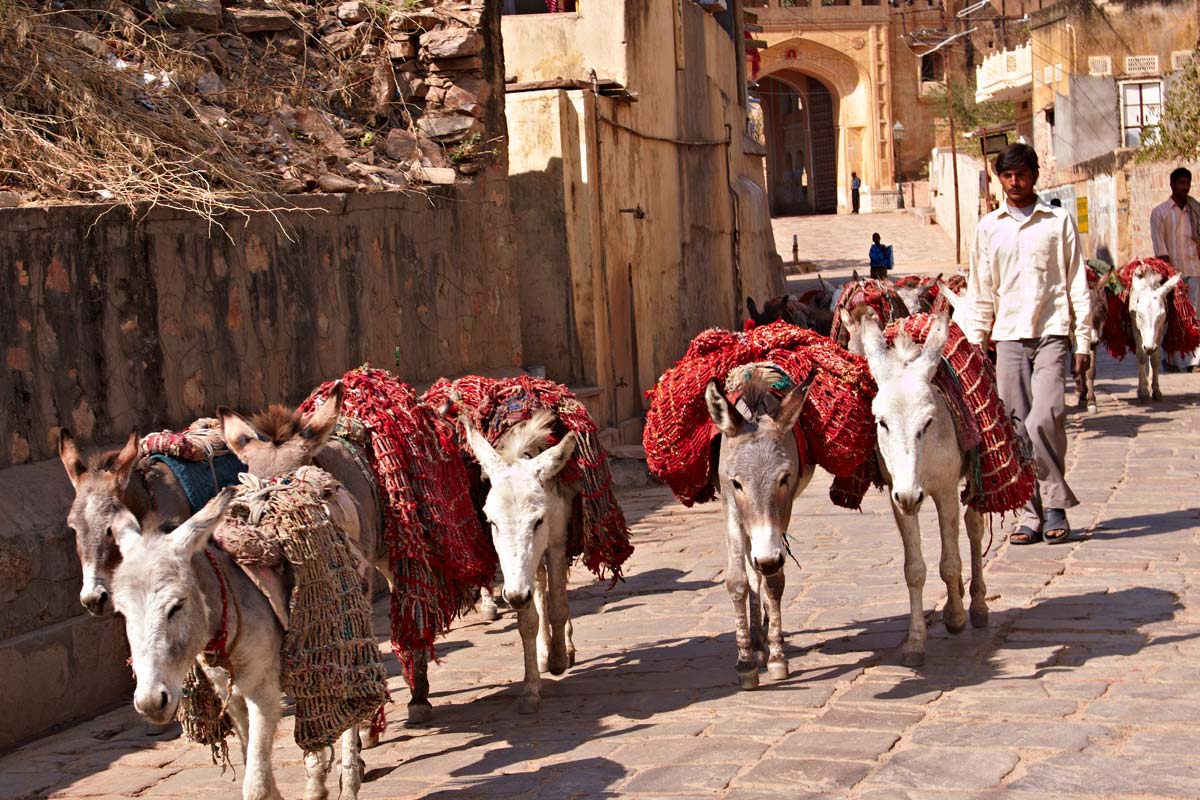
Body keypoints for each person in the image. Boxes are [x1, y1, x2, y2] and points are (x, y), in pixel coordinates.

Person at [964, 143, 1091, 545]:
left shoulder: (1058, 221)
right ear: (999, 179)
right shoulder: (989, 228)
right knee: (1017, 427)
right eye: (1007, 176)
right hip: (1008, 337)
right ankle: (1031, 513)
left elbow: (1076, 281)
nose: (1014, 182)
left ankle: (1055, 504)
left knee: (1046, 418)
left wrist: (1084, 340)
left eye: (1021, 174)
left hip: (1052, 330)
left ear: (1035, 175)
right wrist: (975, 343)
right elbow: (981, 289)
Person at [1150, 167, 1200, 372]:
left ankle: (1193, 360)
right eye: (1180, 183)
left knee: (1193, 315)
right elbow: (1160, 246)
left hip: (1194, 269)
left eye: (1187, 183)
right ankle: (1171, 358)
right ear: (1171, 185)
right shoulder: (1160, 213)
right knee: (1172, 316)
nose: (1184, 187)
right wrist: (1169, 274)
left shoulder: (1195, 211)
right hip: (1172, 273)